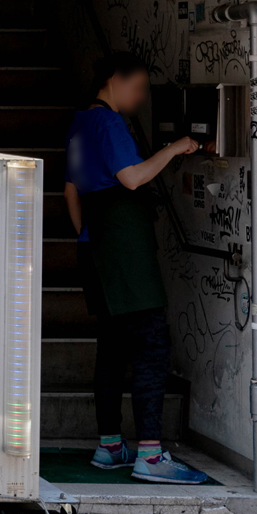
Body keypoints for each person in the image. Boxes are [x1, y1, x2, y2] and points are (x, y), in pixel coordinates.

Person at [63, 52, 206, 484]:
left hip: (96, 248)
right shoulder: (109, 123)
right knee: (151, 346)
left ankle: (110, 446)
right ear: (114, 80)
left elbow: (71, 190)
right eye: (138, 87)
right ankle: (150, 455)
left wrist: (88, 235)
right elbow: (131, 177)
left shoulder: (80, 122)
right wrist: (178, 146)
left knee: (111, 348)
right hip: (125, 253)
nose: (141, 97)